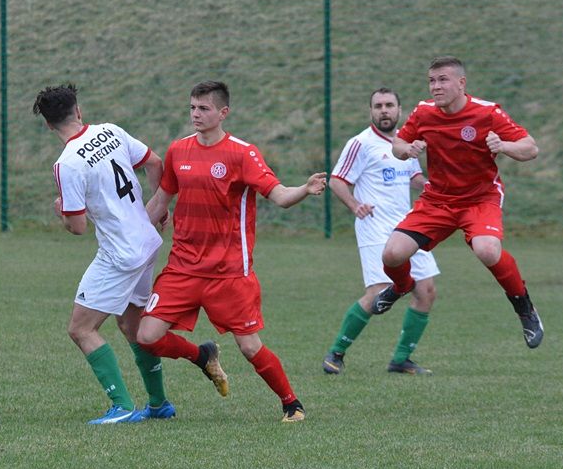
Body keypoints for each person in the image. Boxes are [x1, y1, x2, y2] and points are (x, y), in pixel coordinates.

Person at [138, 80, 327, 423]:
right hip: (182, 267)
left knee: (250, 347)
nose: (196, 114)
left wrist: (305, 189)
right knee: (147, 337)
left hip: (228, 273)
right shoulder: (178, 150)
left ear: (223, 113)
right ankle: (202, 356)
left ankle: (291, 405)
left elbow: (280, 196)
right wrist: (131, 235)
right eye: (193, 108)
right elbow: (161, 201)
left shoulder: (242, 153)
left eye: (204, 108)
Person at [371, 56, 543, 348]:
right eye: (431, 81)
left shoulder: (487, 113)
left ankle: (524, 308)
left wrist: (504, 146)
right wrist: (407, 149)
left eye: (443, 80)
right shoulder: (424, 113)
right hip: (437, 200)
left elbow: (531, 148)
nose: (435, 87)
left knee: (487, 250)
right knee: (392, 255)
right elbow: (398, 144)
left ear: (461, 84)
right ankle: (401, 286)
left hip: (479, 198)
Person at [32, 83, 175, 424]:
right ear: (78, 111)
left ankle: (123, 406)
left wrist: (61, 212)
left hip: (120, 255)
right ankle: (158, 403)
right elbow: (155, 163)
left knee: (81, 329)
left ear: (48, 125)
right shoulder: (110, 130)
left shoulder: (66, 163)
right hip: (146, 244)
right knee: (130, 325)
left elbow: (78, 226)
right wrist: (157, 208)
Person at [323, 87, 439, 376]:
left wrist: (435, 187)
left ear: (399, 110)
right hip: (375, 228)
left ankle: (401, 359)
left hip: (410, 228)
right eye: (378, 106)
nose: (384, 110)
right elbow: (337, 180)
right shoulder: (361, 143)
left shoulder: (406, 142)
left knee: (425, 290)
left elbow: (414, 177)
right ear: (371, 111)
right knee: (378, 293)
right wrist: (354, 205)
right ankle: (336, 352)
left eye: (389, 105)